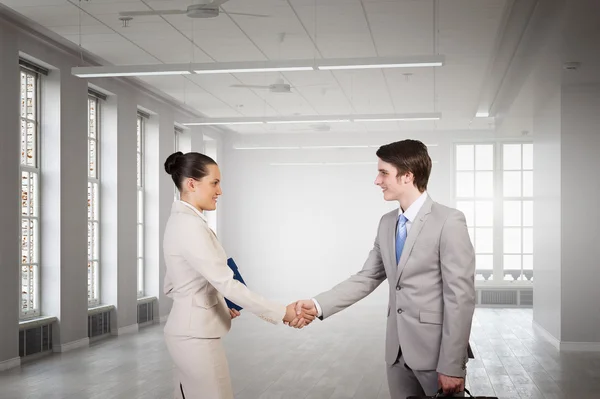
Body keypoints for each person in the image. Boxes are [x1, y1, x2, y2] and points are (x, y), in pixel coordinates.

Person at [291, 139, 476, 398]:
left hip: (437, 357)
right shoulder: (387, 223)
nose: (377, 181)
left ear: (407, 176)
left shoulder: (449, 221)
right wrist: (318, 304)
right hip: (396, 355)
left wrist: (453, 364)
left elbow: (461, 297)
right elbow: (367, 276)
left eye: (383, 173)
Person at [162, 151, 315, 399]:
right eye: (214, 183)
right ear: (191, 183)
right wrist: (282, 313)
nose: (220, 191)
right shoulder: (190, 227)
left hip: (186, 333)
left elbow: (172, 285)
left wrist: (216, 303)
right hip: (196, 337)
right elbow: (227, 284)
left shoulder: (181, 221)